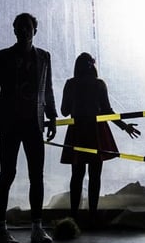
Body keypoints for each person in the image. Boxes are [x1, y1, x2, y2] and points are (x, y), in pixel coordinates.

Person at [0, 12, 57, 243]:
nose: (24, 31)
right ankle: (0, 229)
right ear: (14, 30)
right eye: (20, 27)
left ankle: (36, 228)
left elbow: (47, 88)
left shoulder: (44, 57)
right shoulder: (2, 56)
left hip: (34, 123)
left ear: (35, 30)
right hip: (10, 123)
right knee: (7, 174)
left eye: (27, 27)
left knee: (37, 176)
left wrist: (52, 116)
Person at [60, 53, 140, 226]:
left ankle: (73, 216)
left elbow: (64, 111)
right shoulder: (99, 84)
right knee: (95, 175)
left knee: (77, 175)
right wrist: (124, 126)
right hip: (96, 132)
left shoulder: (71, 84)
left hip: (77, 132)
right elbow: (107, 111)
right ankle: (92, 215)